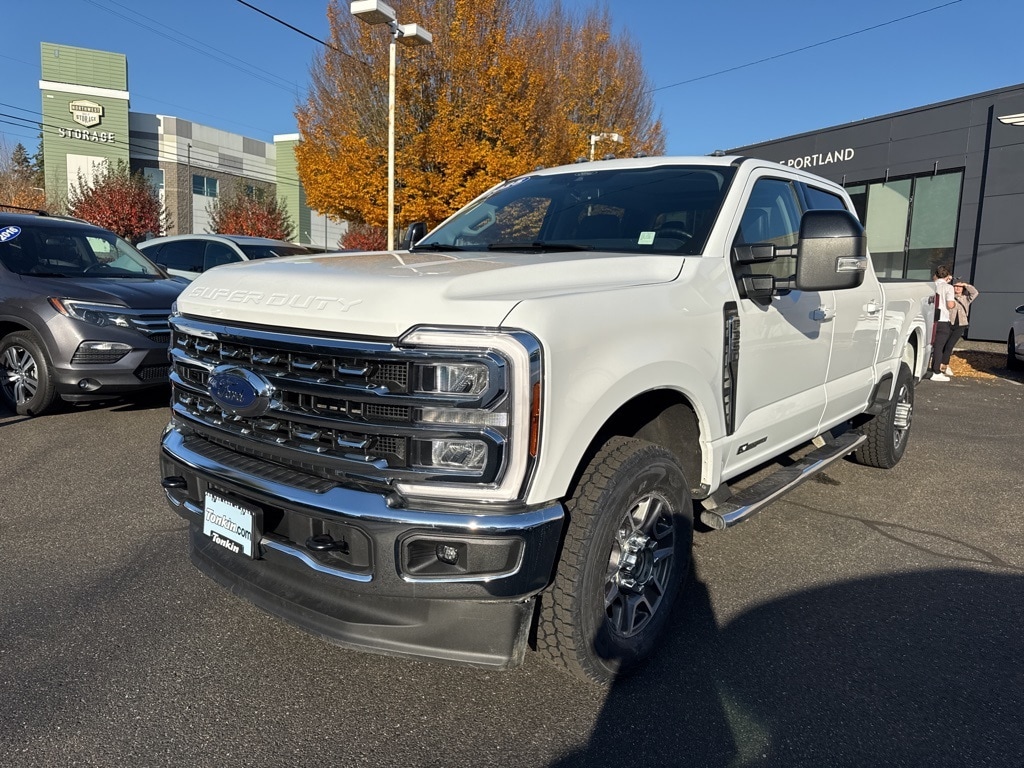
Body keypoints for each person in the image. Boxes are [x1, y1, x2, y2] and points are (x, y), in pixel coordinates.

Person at [943, 278, 980, 376]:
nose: (957, 288)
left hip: (961, 325)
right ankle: (940, 363)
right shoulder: (949, 297)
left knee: (950, 345)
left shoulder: (966, 298)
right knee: (943, 344)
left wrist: (965, 285)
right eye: (955, 286)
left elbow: (975, 293)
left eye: (960, 287)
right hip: (948, 323)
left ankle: (945, 365)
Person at [930, 265, 956, 381]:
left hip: (929, 318)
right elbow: (950, 305)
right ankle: (936, 371)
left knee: (927, 344)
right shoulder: (948, 287)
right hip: (942, 319)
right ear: (947, 276)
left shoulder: (931, 285)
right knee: (939, 347)